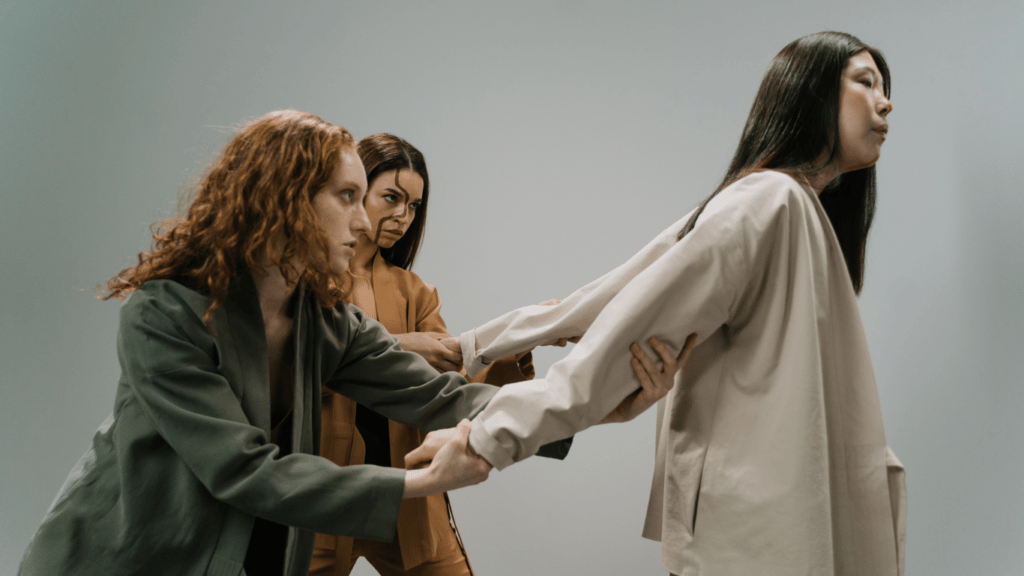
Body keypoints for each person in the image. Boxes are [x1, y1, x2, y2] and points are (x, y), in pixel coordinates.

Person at [17, 110, 684, 576]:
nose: (368, 221)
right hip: (115, 562)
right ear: (282, 199)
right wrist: (420, 481)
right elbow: (245, 470)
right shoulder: (166, 313)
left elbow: (441, 397)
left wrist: (593, 406)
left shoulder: (324, 320)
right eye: (348, 195)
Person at [421, 32, 907, 575]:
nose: (886, 102)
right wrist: (488, 436)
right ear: (811, 93)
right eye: (865, 83)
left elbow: (613, 295)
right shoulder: (770, 201)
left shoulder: (782, 205)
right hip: (758, 542)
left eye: (884, 88)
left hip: (768, 529)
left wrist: (475, 348)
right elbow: (630, 321)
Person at [309, 133, 561, 576]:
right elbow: (297, 363)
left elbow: (451, 394)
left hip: (407, 496)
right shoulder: (306, 280)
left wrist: (517, 340)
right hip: (323, 495)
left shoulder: (415, 292)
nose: (403, 216)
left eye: (414, 206)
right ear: (352, 190)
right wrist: (406, 345)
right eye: (391, 197)